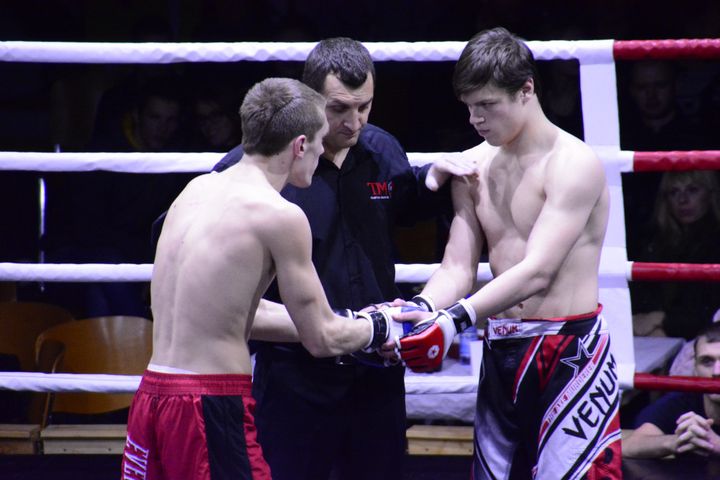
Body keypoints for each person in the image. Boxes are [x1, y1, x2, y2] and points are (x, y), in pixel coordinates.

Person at [210, 37, 474, 480]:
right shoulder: (260, 166)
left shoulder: (382, 150)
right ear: (310, 99)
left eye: (364, 107)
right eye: (338, 109)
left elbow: (404, 205)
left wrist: (431, 179)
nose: (354, 123)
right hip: (294, 374)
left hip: (376, 371)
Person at [121, 77, 403, 480]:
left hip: (153, 396)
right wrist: (383, 325)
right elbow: (322, 338)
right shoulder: (279, 215)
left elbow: (234, 309)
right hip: (209, 404)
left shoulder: (196, 190)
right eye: (320, 142)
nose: (323, 153)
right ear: (300, 145)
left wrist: (349, 319)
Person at [391, 27, 621, 479]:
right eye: (469, 106)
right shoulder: (472, 167)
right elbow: (457, 267)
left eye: (487, 105)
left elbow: (538, 271)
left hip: (569, 348)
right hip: (502, 347)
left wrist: (454, 319)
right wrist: (426, 308)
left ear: (526, 89)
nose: (475, 119)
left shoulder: (573, 164)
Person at [630, 170, 720, 339]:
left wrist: (662, 320)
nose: (682, 200)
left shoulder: (715, 243)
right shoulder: (656, 242)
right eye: (674, 192)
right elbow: (640, 298)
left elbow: (708, 309)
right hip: (655, 336)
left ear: (710, 193)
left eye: (692, 190)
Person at [623, 322, 720, 458]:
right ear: (695, 369)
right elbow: (628, 446)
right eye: (707, 361)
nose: (716, 372)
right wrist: (676, 441)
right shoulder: (683, 400)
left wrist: (717, 444)